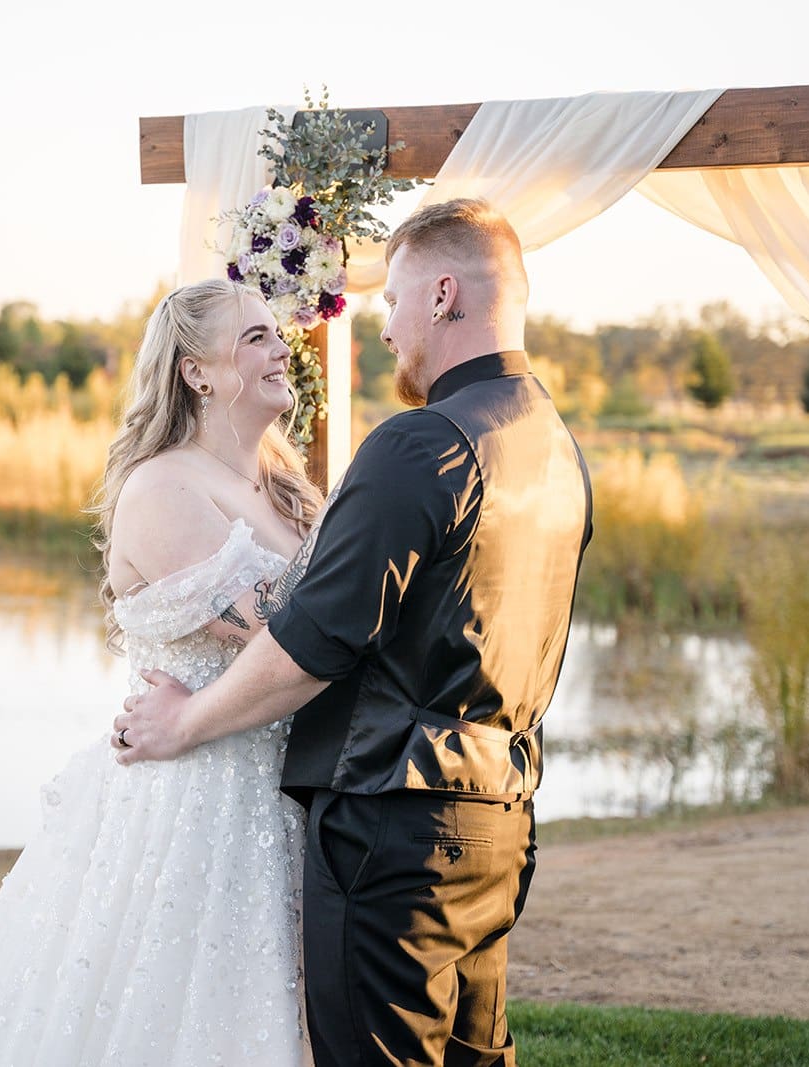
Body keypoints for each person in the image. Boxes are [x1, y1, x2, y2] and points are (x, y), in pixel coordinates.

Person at [114, 198, 594, 1067]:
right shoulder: (554, 447)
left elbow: (315, 640)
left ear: (445, 295)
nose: (386, 330)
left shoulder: (424, 443)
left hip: (396, 827)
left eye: (396, 301)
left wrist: (182, 722)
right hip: (498, 820)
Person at [0, 278, 323, 1066]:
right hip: (198, 800)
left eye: (278, 335)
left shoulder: (282, 488)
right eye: (256, 337)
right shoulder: (164, 487)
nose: (283, 350)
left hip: (283, 793)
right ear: (197, 372)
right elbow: (284, 632)